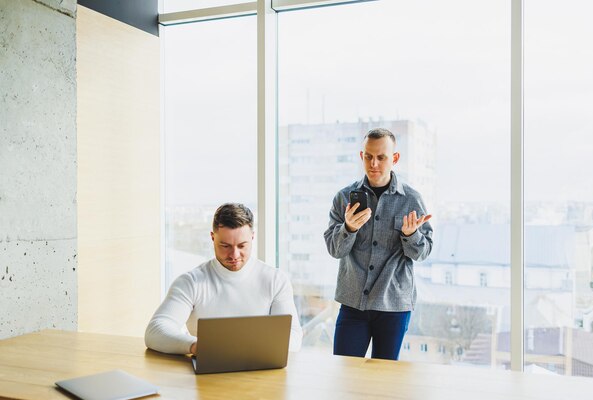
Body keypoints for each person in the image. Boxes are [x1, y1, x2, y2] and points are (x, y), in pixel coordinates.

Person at [324, 128, 433, 360]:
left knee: (385, 381)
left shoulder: (412, 200)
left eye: (381, 157)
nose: (373, 163)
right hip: (353, 303)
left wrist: (411, 235)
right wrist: (349, 228)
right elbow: (335, 250)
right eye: (368, 156)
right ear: (361, 156)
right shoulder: (343, 198)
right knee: (345, 372)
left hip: (393, 305)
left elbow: (423, 252)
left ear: (394, 158)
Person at [145, 203, 302, 354]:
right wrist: (196, 346)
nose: (234, 255)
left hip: (262, 374)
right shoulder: (191, 282)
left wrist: (246, 349)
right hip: (207, 375)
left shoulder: (275, 280)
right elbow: (155, 331)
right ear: (213, 238)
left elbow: (293, 336)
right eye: (225, 246)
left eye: (242, 246)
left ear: (252, 237)